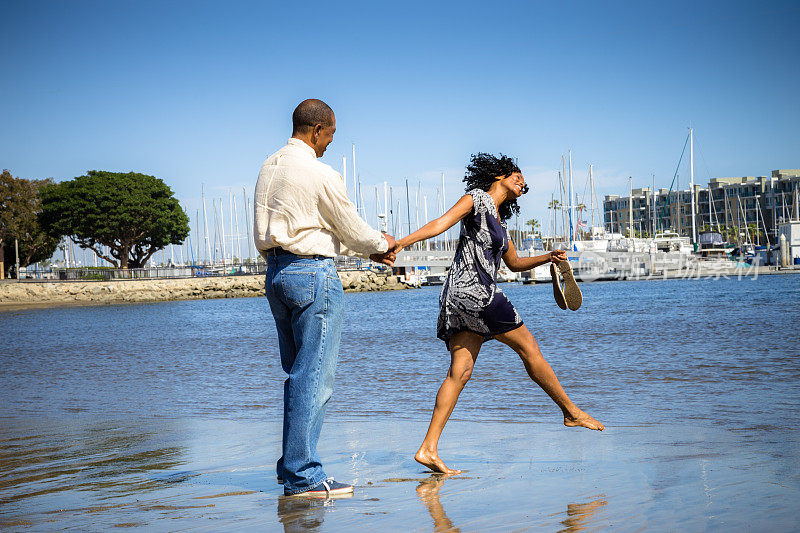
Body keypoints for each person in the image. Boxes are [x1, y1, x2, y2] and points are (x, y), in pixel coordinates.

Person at [393, 153, 604, 474]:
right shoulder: (476, 200)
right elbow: (440, 224)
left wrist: (549, 257)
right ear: (498, 176)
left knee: (460, 372)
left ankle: (428, 449)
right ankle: (571, 411)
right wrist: (399, 245)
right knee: (529, 349)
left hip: (457, 298)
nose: (523, 182)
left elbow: (515, 264)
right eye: (517, 176)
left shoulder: (500, 224)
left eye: (524, 182)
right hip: (477, 291)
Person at [254, 99, 396, 496]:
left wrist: (365, 249)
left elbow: (317, 229)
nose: (331, 141)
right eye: (331, 133)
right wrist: (378, 244)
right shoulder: (319, 172)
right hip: (312, 276)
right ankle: (304, 476)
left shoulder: (269, 166)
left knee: (298, 373)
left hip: (277, 274)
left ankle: (291, 469)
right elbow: (350, 227)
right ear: (317, 130)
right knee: (314, 378)